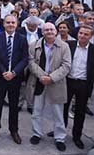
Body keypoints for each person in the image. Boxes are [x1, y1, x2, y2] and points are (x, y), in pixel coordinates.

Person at [26, 22, 71, 151]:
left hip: (56, 83)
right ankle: (37, 133)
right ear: (42, 32)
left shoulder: (64, 46)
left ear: (56, 31)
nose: (49, 32)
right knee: (37, 111)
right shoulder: (34, 46)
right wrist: (42, 76)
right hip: (38, 82)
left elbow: (66, 65)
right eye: (46, 30)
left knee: (58, 113)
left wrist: (51, 78)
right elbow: (31, 62)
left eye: (51, 29)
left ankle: (60, 138)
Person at [0, 15, 29, 144]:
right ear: (4, 24)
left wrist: (14, 72)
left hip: (15, 78)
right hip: (0, 77)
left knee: (14, 105)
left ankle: (14, 130)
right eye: (8, 22)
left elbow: (25, 58)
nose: (10, 24)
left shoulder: (22, 39)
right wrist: (4, 71)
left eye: (13, 22)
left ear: (17, 24)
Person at [63, 25, 94, 149]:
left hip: (83, 84)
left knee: (80, 112)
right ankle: (60, 132)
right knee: (63, 108)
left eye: (86, 34)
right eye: (81, 33)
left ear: (91, 36)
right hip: (68, 81)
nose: (82, 36)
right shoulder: (69, 45)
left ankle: (76, 136)